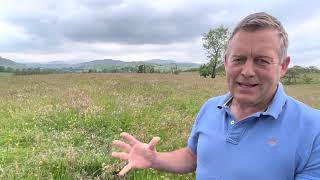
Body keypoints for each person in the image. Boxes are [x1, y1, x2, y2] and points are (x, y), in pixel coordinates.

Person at [111, 12, 320, 179]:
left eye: (262, 60)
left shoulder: (314, 129)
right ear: (227, 62)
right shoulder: (211, 107)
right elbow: (193, 156)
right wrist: (155, 159)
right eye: (239, 59)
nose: (247, 71)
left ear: (283, 66)